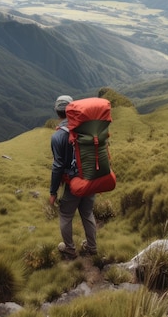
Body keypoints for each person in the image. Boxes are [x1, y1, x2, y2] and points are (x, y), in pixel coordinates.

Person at [49, 95, 98, 260]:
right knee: (87, 213)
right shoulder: (86, 129)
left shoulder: (58, 137)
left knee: (65, 215)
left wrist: (53, 191)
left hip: (73, 184)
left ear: (57, 112)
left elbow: (57, 167)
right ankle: (92, 248)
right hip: (90, 179)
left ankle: (69, 250)